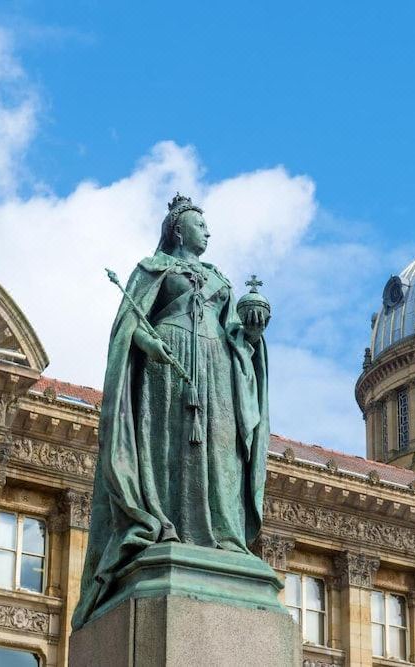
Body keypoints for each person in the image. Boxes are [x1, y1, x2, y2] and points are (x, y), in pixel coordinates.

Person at [72, 194, 271, 629]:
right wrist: (149, 344)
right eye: (201, 225)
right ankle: (165, 525)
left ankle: (223, 535)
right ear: (180, 230)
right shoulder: (152, 269)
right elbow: (128, 325)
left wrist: (251, 334)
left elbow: (234, 334)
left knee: (221, 449)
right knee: (169, 448)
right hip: (168, 364)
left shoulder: (220, 277)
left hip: (217, 370)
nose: (208, 232)